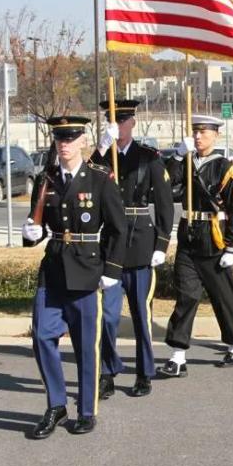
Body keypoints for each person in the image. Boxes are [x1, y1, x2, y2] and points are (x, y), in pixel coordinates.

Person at [21, 115, 126, 438]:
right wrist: (31, 233)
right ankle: (55, 404)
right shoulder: (46, 179)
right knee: (41, 337)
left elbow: (118, 229)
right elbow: (35, 227)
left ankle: (86, 409)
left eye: (71, 138)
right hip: (53, 267)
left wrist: (111, 270)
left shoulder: (99, 178)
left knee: (85, 345)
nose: (64, 144)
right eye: (60, 139)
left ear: (83, 141)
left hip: (87, 267)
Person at [91, 100, 174, 400]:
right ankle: (108, 372)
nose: (118, 127)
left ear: (133, 123)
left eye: (123, 121)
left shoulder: (148, 157)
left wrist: (162, 243)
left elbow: (165, 203)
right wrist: (101, 148)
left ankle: (144, 372)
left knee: (141, 315)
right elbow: (84, 180)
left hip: (141, 244)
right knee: (108, 317)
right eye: (112, 121)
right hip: (112, 248)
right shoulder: (103, 157)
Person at [157, 115, 233, 376]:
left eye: (204, 132)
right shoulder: (185, 162)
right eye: (195, 132)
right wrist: (176, 156)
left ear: (215, 136)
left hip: (213, 237)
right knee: (186, 295)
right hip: (188, 235)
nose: (198, 137)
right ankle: (177, 355)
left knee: (222, 296)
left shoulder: (225, 167)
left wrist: (231, 247)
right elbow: (167, 184)